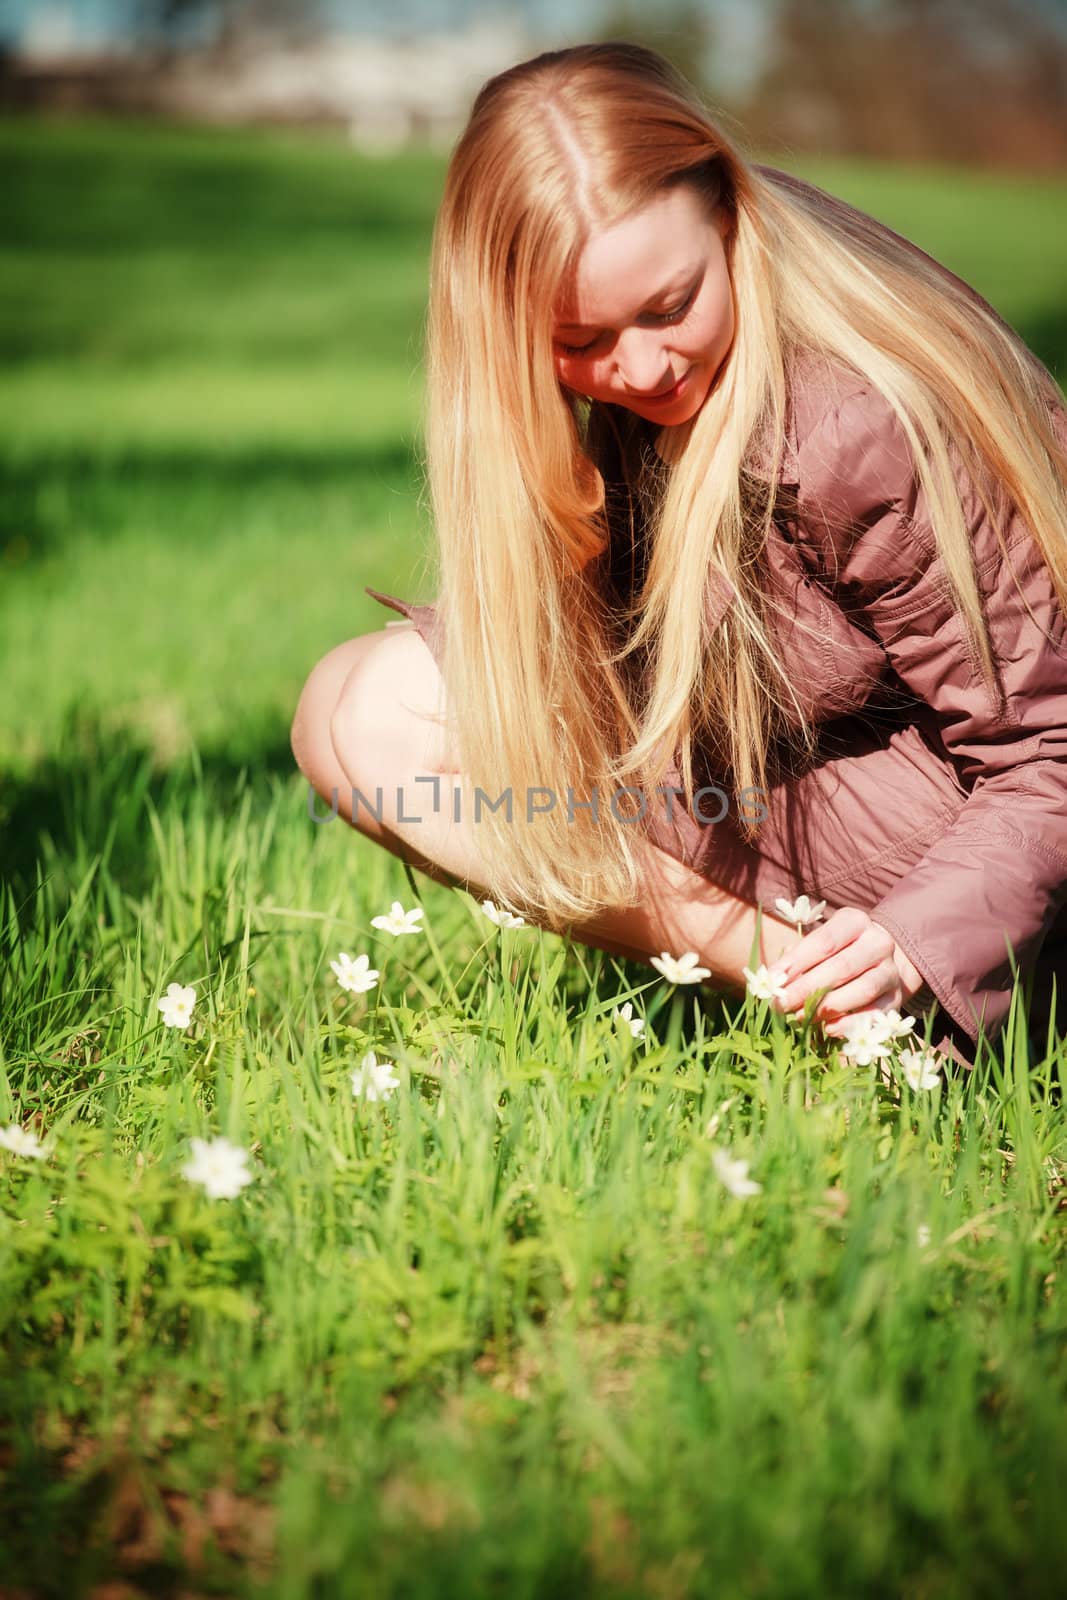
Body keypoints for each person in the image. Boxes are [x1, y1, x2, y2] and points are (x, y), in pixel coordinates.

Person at [291, 41, 1067, 1071]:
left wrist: (910, 935)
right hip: (770, 783)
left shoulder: (850, 420)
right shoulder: (603, 407)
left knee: (379, 721)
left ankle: (895, 997)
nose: (641, 366)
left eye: (667, 307)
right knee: (357, 711)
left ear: (726, 212)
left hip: (989, 867)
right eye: (579, 340)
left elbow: (1048, 755)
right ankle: (818, 993)